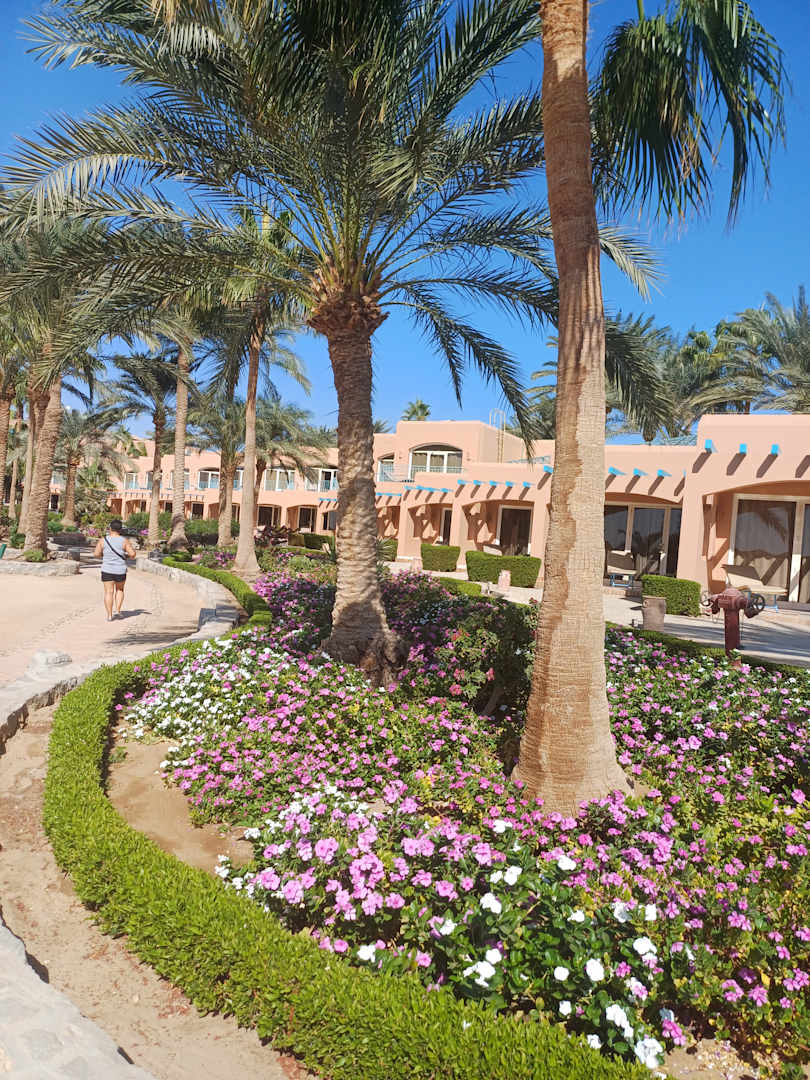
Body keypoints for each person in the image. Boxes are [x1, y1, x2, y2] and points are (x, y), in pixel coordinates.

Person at [94, 519, 137, 621]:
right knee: (120, 590)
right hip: (120, 570)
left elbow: (96, 554)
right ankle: (117, 611)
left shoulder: (103, 540)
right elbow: (132, 554)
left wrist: (104, 555)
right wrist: (126, 555)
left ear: (110, 528)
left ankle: (109, 615)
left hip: (107, 570)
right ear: (120, 529)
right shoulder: (124, 541)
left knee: (108, 592)